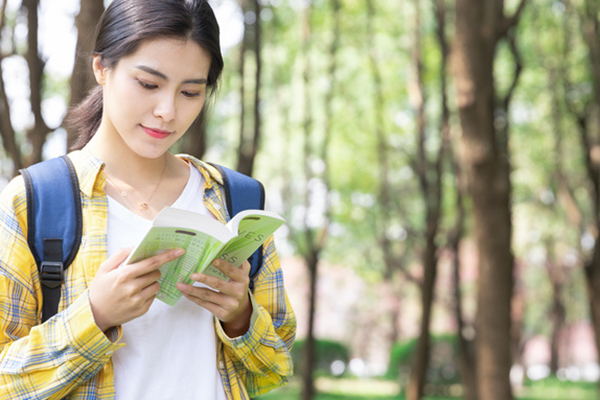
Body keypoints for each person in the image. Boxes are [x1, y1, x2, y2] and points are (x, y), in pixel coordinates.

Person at [0, 0, 296, 399]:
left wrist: (240, 316)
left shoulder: (234, 199)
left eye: (190, 92)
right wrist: (96, 315)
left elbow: (275, 370)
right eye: (149, 84)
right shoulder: (36, 201)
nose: (167, 111)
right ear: (102, 68)